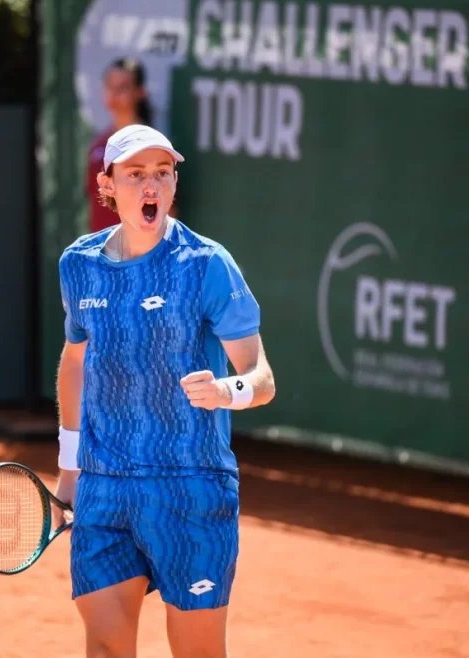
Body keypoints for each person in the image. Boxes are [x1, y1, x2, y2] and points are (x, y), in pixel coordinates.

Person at [54, 124, 276, 658]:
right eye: (135, 175)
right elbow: (75, 361)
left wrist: (227, 389)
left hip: (191, 490)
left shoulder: (207, 265)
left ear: (174, 185)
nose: (150, 185)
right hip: (106, 488)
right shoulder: (79, 266)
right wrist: (69, 471)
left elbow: (261, 377)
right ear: (108, 185)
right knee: (105, 650)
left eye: (162, 173)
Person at [87, 58, 155, 234]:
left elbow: (165, 212)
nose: (114, 94)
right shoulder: (98, 145)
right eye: (110, 86)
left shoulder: (151, 145)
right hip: (103, 255)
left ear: (140, 92)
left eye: (123, 87)